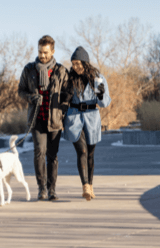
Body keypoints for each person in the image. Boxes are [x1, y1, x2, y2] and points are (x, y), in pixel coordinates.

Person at [18, 35, 69, 201]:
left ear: (53, 51)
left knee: (52, 156)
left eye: (46, 52)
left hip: (54, 120)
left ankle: (52, 189)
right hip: (37, 119)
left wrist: (63, 109)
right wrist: (32, 97)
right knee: (39, 152)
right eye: (40, 52)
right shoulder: (29, 69)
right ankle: (42, 189)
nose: (43, 55)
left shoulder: (61, 71)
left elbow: (68, 94)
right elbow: (21, 91)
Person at [63, 46, 111, 201]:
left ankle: (90, 186)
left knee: (90, 154)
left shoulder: (98, 78)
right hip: (74, 118)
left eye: (78, 63)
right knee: (82, 151)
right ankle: (85, 185)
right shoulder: (69, 79)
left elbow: (103, 103)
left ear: (85, 62)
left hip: (92, 118)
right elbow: (63, 98)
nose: (75, 67)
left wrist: (100, 90)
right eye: (73, 63)